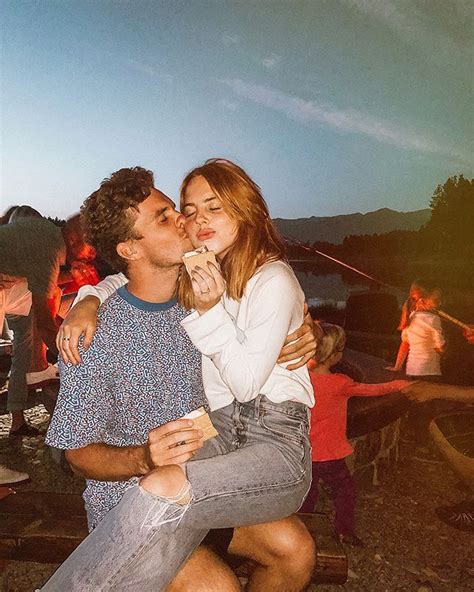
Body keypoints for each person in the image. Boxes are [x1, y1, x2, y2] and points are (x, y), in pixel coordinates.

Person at [42, 164, 316, 591]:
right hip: (134, 502)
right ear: (131, 249)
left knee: (295, 550)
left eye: (177, 210)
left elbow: (268, 297)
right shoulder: (94, 335)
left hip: (210, 477)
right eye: (165, 218)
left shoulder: (202, 296)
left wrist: (307, 327)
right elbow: (76, 455)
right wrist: (144, 459)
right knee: (215, 587)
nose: (184, 221)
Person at [299, 322, 409, 546]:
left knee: (307, 495)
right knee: (345, 489)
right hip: (330, 454)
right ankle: (344, 530)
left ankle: (301, 532)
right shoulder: (340, 383)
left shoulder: (301, 379)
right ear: (334, 355)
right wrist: (398, 384)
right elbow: (373, 389)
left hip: (305, 452)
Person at [0, 209, 90, 436]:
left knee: (24, 349)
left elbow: (42, 281)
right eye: (90, 249)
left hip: (12, 288)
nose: (90, 255)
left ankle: (17, 422)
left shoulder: (48, 236)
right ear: (74, 239)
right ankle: (40, 367)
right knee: (45, 312)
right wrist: (75, 360)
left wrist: (76, 276)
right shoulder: (50, 249)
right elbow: (46, 324)